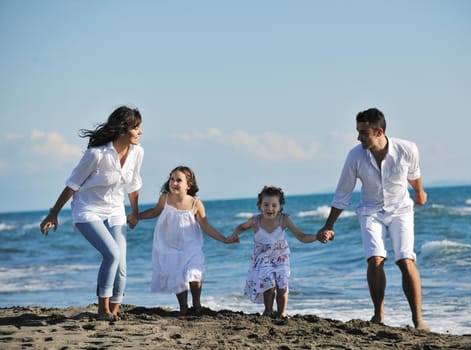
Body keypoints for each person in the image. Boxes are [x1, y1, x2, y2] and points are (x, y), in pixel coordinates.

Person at [317, 107, 429, 331]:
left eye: (363, 132)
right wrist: (328, 226)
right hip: (370, 211)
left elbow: (414, 175)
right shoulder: (355, 156)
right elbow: (343, 193)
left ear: (379, 132)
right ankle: (379, 315)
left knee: (406, 260)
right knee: (375, 259)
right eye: (358, 131)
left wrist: (419, 192)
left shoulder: (408, 149)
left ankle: (418, 321)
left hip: (401, 210)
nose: (359, 137)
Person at [39, 105, 144, 321]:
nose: (140, 132)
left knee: (122, 264)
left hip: (115, 210)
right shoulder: (96, 155)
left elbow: (133, 185)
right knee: (111, 254)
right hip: (88, 210)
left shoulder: (137, 152)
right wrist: (53, 213)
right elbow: (72, 185)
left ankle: (113, 313)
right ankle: (102, 310)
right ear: (123, 130)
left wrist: (134, 213)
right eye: (136, 127)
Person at [133, 166, 236, 315]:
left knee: (194, 273)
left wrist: (224, 239)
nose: (174, 183)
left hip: (191, 246)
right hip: (169, 247)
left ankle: (197, 304)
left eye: (178, 180)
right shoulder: (165, 198)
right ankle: (183, 308)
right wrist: (137, 216)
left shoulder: (195, 203)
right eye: (172, 179)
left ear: (188, 185)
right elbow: (155, 211)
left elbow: (206, 227)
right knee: (178, 278)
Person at [230, 186, 328, 318]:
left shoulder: (284, 220)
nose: (270, 208)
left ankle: (282, 312)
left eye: (274, 205)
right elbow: (241, 227)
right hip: (263, 258)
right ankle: (268, 311)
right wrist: (236, 234)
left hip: (281, 258)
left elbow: (302, 237)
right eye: (266, 205)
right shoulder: (255, 220)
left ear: (280, 207)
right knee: (268, 286)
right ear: (259, 206)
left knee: (282, 287)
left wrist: (317, 237)